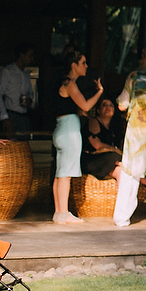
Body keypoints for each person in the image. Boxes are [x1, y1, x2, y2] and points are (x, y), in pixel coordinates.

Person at [113, 43, 146, 228]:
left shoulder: (134, 77)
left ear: (145, 59)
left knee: (130, 175)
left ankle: (122, 218)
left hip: (136, 136)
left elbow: (122, 103)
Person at [53, 51, 103, 223]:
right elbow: (86, 105)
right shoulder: (70, 83)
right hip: (69, 129)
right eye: (83, 62)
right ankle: (63, 212)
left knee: (60, 172)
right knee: (65, 172)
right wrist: (99, 92)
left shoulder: (65, 83)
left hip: (62, 127)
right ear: (74, 65)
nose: (86, 66)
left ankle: (59, 211)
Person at [0, 43, 34, 138]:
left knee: (25, 146)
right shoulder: (7, 71)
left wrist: (30, 100)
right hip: (10, 115)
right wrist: (4, 117)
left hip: (24, 116)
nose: (32, 59)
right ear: (21, 55)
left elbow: (30, 92)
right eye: (30, 56)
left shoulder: (26, 73)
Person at [83, 97, 124, 181]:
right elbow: (97, 145)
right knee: (115, 156)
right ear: (98, 110)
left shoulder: (115, 127)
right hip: (92, 159)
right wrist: (116, 151)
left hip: (108, 161)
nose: (108, 108)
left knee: (120, 169)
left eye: (111, 105)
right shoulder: (93, 122)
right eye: (104, 105)